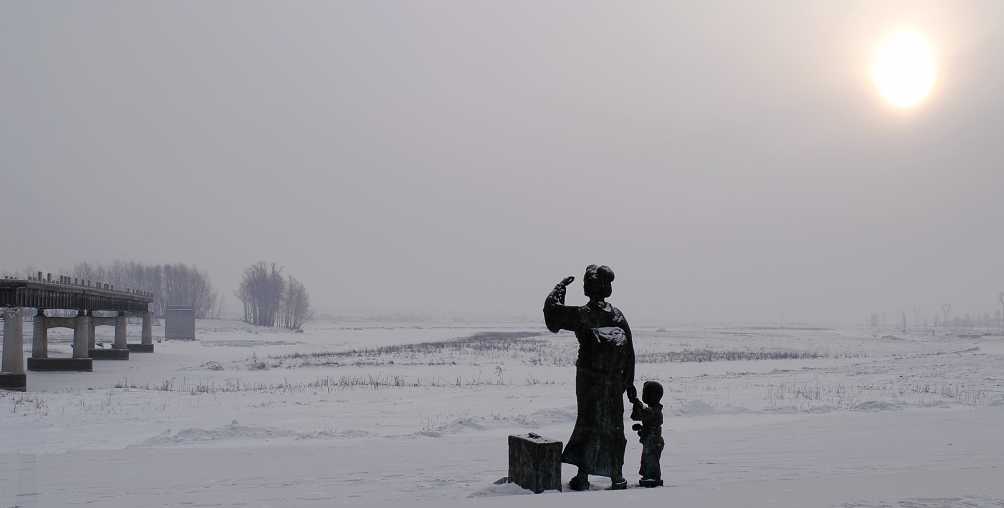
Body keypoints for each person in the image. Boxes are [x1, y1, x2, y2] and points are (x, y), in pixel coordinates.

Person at [543, 264, 637, 491]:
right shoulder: (617, 315)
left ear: (586, 288)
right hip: (614, 380)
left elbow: (552, 314)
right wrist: (628, 381)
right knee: (614, 425)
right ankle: (617, 475)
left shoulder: (582, 315)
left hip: (589, 379)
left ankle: (583, 475)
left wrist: (559, 288)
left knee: (588, 423)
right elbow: (630, 352)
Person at [630, 381, 665, 487]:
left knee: (651, 460)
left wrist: (636, 402)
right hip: (651, 441)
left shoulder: (655, 411)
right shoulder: (653, 410)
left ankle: (652, 478)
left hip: (653, 442)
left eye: (646, 393)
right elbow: (642, 414)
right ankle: (649, 476)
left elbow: (640, 414)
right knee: (647, 460)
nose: (644, 395)